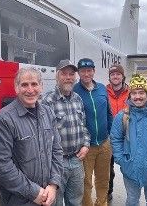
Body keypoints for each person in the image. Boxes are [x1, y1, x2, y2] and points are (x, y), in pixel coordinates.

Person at [0, 67, 63, 206]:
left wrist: (54, 184)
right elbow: (2, 165)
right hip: (19, 200)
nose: (30, 90)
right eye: (24, 84)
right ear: (16, 88)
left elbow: (57, 150)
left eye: (34, 84)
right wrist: (34, 192)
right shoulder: (3, 119)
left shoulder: (48, 113)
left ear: (41, 86)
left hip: (48, 196)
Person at [42, 59, 91, 206]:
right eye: (64, 74)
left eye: (71, 74)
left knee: (75, 201)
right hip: (57, 162)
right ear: (57, 76)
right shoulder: (47, 101)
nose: (68, 77)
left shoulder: (78, 99)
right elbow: (43, 135)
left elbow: (83, 126)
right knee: (55, 202)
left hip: (77, 160)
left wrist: (86, 145)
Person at [110, 74, 147, 206]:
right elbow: (115, 139)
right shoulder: (122, 117)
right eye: (134, 93)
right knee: (132, 201)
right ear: (129, 95)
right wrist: (121, 160)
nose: (137, 96)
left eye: (141, 93)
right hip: (130, 169)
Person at [73, 58, 113, 206]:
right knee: (86, 182)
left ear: (94, 71)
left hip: (104, 143)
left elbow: (109, 113)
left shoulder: (102, 88)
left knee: (103, 179)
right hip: (85, 146)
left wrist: (110, 134)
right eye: (83, 71)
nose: (86, 74)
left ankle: (102, 203)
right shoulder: (75, 91)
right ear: (79, 73)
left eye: (89, 70)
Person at [106, 64, 130, 201]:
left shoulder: (131, 92)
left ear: (122, 76)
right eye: (112, 74)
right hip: (108, 137)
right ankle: (108, 192)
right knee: (108, 169)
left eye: (118, 74)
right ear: (109, 77)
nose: (115, 76)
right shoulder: (103, 91)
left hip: (126, 138)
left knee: (128, 166)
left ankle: (132, 194)